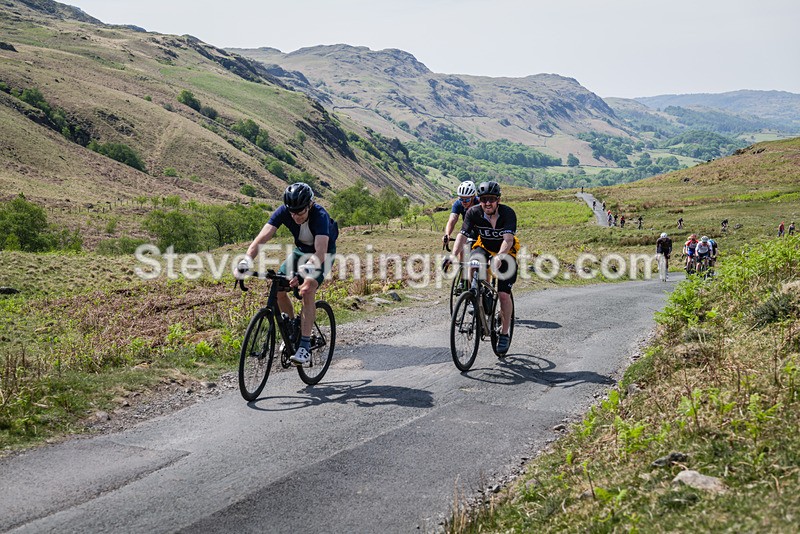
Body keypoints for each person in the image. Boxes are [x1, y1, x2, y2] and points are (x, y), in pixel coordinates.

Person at [238, 183, 338, 366]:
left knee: (307, 289)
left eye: (300, 213)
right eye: (292, 213)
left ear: (310, 205)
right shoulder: (284, 212)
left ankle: (305, 346)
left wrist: (302, 274)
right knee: (278, 289)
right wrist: (246, 261)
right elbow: (261, 239)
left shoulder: (320, 215)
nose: (296, 217)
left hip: (322, 254)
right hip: (301, 252)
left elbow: (321, 252)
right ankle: (293, 329)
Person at [444, 181, 519, 355]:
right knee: (472, 261)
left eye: (491, 199)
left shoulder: (508, 214)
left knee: (503, 295)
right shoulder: (473, 212)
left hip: (506, 253)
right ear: (480, 200)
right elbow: (462, 236)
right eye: (484, 199)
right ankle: (475, 294)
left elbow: (508, 240)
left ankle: (505, 333)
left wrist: (499, 257)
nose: (487, 203)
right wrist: (452, 256)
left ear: (498, 200)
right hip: (484, 248)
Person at [442, 181, 478, 247]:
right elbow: (452, 220)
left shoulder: (480, 203)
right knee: (461, 247)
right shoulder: (458, 204)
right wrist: (447, 234)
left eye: (467, 199)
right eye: (461, 199)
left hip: (483, 230)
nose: (464, 202)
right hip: (469, 230)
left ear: (473, 197)